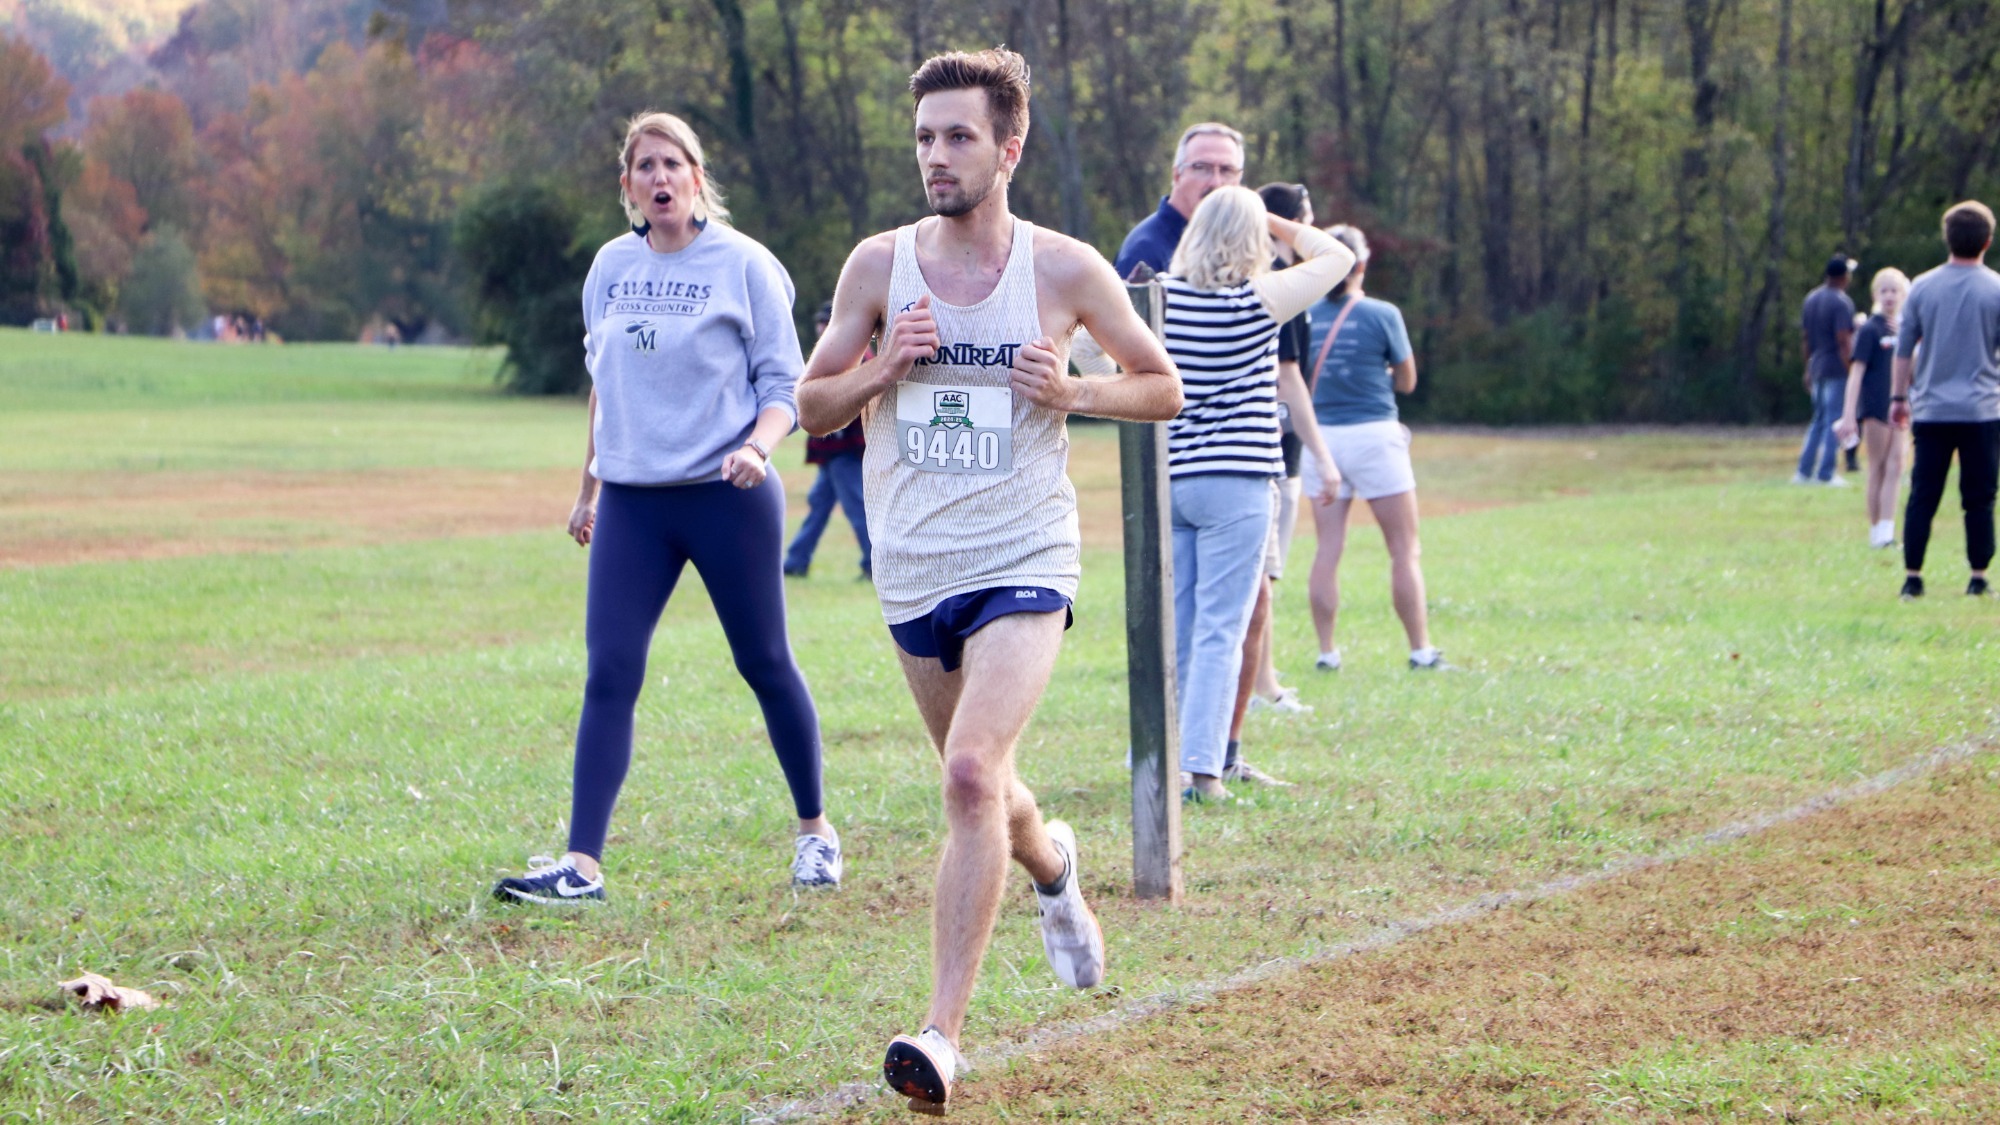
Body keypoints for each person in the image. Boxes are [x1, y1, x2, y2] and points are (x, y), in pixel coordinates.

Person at [797, 49, 1180, 1114]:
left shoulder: (1062, 270)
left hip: (1023, 557)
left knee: (967, 774)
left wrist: (1075, 390)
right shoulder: (878, 266)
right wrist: (883, 369)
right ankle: (1053, 867)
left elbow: (1163, 386)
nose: (936, 156)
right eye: (924, 137)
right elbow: (812, 401)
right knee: (993, 792)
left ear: (1007, 149)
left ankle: (940, 1037)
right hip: (913, 568)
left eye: (957, 136)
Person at [492, 111, 841, 907]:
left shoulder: (746, 265)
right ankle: (581, 866)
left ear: (695, 176)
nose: (658, 179)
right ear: (627, 186)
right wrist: (588, 489)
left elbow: (783, 389)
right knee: (609, 672)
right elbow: (603, 386)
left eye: (671, 165)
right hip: (633, 507)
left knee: (765, 664)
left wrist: (758, 447)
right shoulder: (609, 268)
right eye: (643, 167)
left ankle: (816, 832)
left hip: (729, 497)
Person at [1162, 187, 1352, 804]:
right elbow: (1335, 258)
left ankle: (1177, 765)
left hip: (1174, 480)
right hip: (1239, 481)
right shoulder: (1258, 300)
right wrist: (1267, 216)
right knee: (1223, 628)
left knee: (1186, 628)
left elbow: (1091, 350)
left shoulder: (1162, 299)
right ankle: (1206, 772)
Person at [1302, 224, 1447, 672]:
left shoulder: (1302, 314)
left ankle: (1327, 652)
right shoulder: (1383, 315)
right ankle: (1420, 649)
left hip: (1320, 440)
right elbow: (1407, 381)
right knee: (1404, 550)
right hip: (1374, 435)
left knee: (1328, 549)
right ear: (1361, 264)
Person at [1892, 200, 2000, 599]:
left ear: (1947, 239)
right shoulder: (1995, 289)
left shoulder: (1922, 287)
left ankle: (1913, 576)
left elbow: (1904, 348)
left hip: (1933, 408)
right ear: (1987, 241)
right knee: (1980, 497)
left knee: (1924, 494)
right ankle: (1978, 576)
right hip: (1982, 409)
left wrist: (1898, 397)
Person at [783, 302, 872, 579]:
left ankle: (873, 563)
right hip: (830, 452)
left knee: (856, 507)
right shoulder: (830, 356)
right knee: (818, 506)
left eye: (826, 322)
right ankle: (796, 561)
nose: (821, 327)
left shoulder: (859, 358)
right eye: (820, 322)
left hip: (845, 450)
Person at [1112, 122, 1246, 280]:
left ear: (1239, 179)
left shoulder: (1241, 244)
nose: (1216, 183)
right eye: (1202, 167)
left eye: (1227, 170)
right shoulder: (1144, 251)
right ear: (1177, 175)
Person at [1835, 268, 1911, 548]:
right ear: (1875, 294)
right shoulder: (1870, 330)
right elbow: (1856, 373)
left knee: (1897, 466)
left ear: (1904, 294)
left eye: (1895, 291)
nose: (1890, 296)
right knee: (1877, 467)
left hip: (1900, 405)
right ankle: (1876, 530)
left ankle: (1888, 531)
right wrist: (1848, 414)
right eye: (1884, 290)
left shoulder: (1905, 329)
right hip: (1875, 406)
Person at [1795, 255, 1858, 486]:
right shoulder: (1842, 303)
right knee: (1834, 420)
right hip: (1835, 367)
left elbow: (1805, 338)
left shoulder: (1811, 298)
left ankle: (1803, 472)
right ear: (1843, 276)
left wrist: (1808, 368)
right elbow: (1843, 339)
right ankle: (1826, 473)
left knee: (1818, 420)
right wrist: (1851, 368)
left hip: (1817, 366)